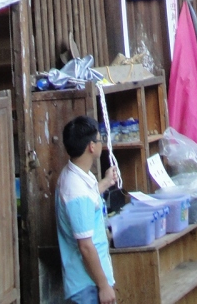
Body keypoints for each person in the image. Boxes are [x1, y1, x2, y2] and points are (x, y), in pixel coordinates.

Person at [56, 115, 117, 304]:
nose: (101, 143)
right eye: (99, 139)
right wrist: (104, 286)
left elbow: (88, 200)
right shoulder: (76, 190)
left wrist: (106, 183)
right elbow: (86, 246)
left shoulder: (76, 174)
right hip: (87, 286)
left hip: (91, 282)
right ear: (91, 146)